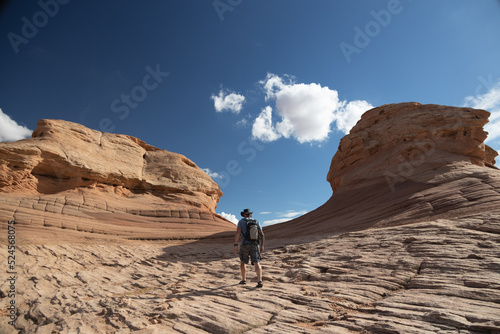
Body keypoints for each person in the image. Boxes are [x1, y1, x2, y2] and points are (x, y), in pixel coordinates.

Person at [233, 208, 265, 288]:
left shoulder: (241, 222)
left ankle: (244, 280)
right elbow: (262, 234)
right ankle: (259, 281)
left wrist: (235, 245)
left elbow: (238, 233)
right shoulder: (256, 221)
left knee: (243, 262)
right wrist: (262, 245)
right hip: (255, 245)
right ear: (250, 214)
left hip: (245, 245)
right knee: (257, 262)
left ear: (244, 215)